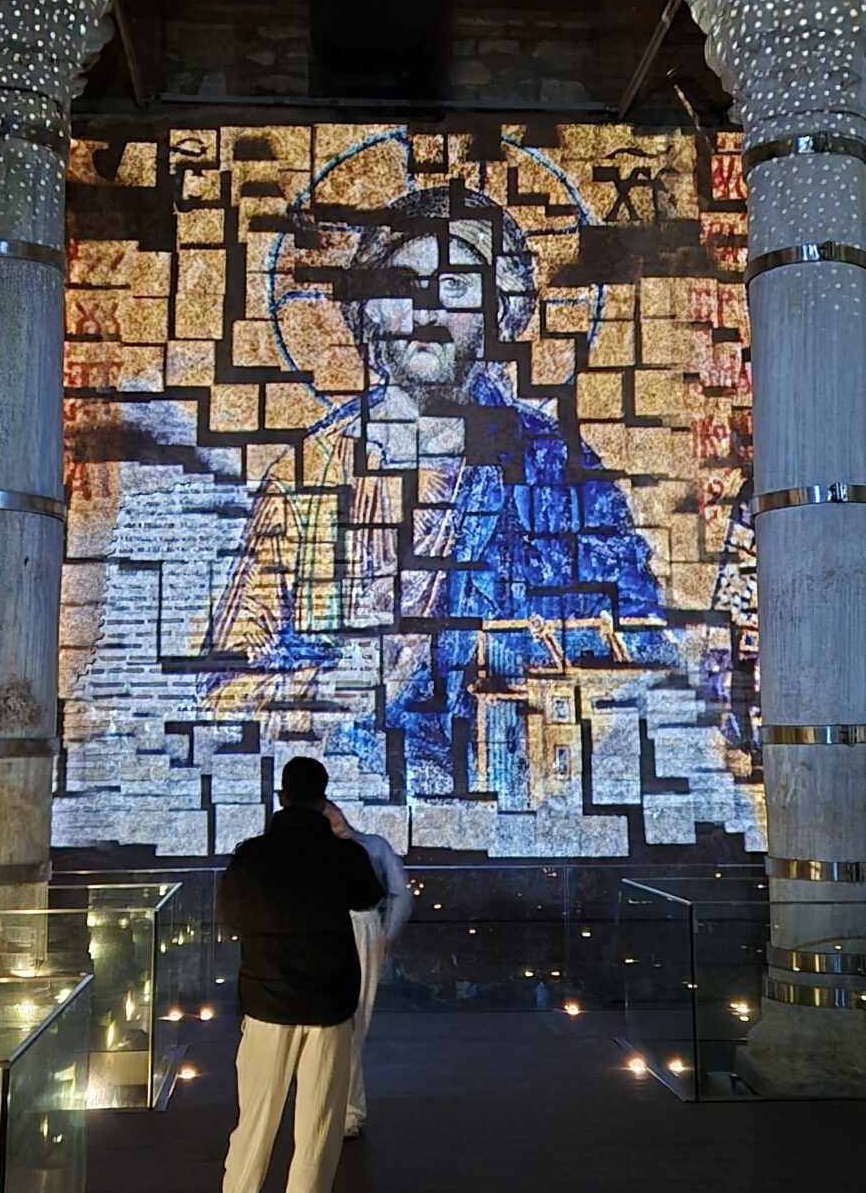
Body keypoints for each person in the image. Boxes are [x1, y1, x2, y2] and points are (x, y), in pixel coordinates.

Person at [205, 183, 673, 811]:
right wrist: (359, 681)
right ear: (368, 311)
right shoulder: (308, 478)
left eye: (454, 286)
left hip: (518, 794)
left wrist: (524, 674)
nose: (425, 310)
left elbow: (644, 649)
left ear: (498, 314)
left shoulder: (560, 471)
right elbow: (225, 695)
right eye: (402, 284)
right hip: (354, 803)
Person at [202, 756, 386, 1193]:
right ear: (323, 800)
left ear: (281, 797)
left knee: (253, 1128)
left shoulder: (252, 855)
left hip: (267, 1002)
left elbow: (231, 915)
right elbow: (369, 895)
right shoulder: (342, 855)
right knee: (318, 1136)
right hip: (328, 1007)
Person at [321, 798, 412, 1141]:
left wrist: (387, 934)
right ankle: (342, 1107)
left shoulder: (372, 846)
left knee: (353, 1022)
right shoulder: (361, 849)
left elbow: (400, 893)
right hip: (337, 930)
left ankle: (346, 1108)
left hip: (360, 930)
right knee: (339, 1024)